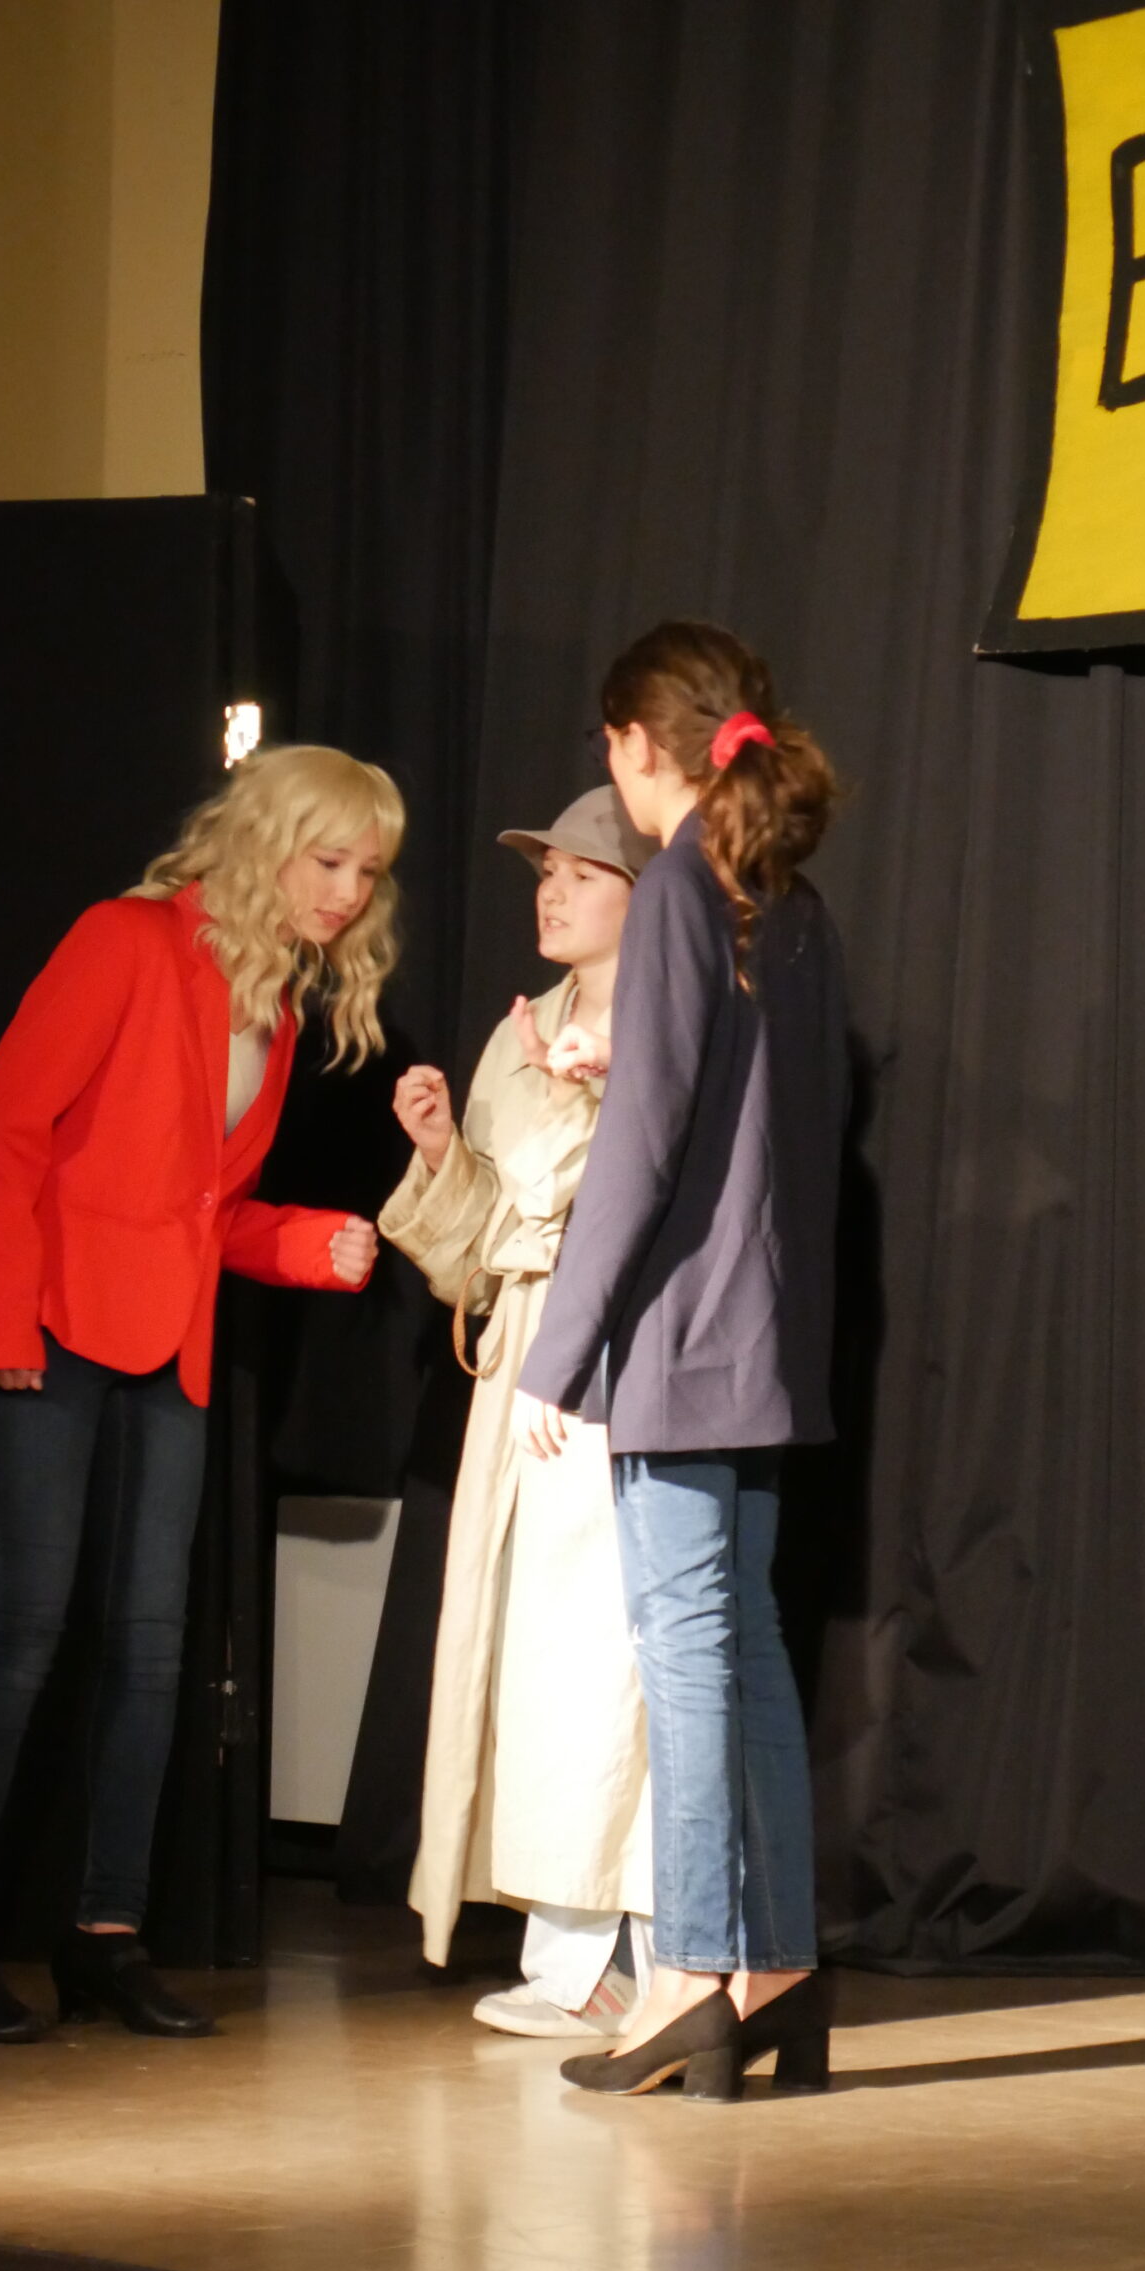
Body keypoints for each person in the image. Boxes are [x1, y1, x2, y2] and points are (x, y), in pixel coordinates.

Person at [0, 745, 403, 2044]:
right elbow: (6, 1133)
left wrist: (309, 1245)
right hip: (49, 1322)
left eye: (367, 872)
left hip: (164, 1340)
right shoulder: (124, 940)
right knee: (25, 1627)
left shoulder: (276, 1006)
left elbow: (202, 1212)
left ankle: (104, 1937)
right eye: (329, 860)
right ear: (266, 840)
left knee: (151, 1643)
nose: (348, 893)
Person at [514, 621, 847, 2101]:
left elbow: (644, 1151)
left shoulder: (675, 894)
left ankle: (693, 1976)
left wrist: (557, 1351)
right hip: (765, 1338)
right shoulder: (789, 897)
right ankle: (777, 1969)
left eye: (610, 741)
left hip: (679, 1337)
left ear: (636, 743)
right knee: (745, 1646)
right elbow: (778, 1125)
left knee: (690, 1653)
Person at [382, 786, 658, 2037]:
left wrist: (598, 1090)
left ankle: (616, 1957)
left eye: (583, 875)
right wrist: (446, 1154)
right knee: (526, 1651)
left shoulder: (673, 1024)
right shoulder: (518, 1031)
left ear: (642, 896)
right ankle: (566, 1951)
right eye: (546, 874)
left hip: (613, 1360)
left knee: (601, 1650)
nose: (552, 893)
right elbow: (481, 1249)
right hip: (519, 1362)